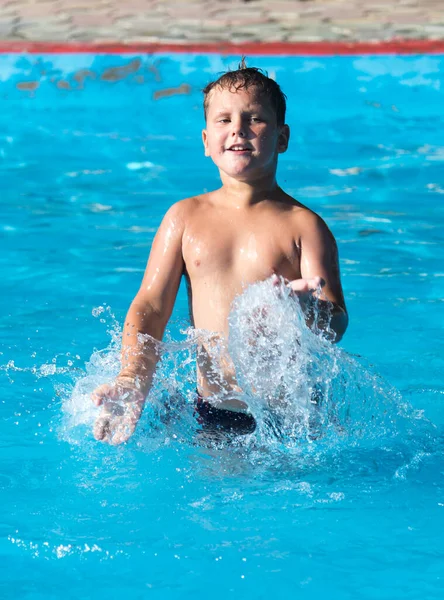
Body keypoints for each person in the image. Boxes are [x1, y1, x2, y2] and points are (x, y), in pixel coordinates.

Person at [91, 60, 348, 445]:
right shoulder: (185, 218)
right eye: (224, 120)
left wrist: (303, 308)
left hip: (290, 415)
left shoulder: (303, 226)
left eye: (255, 118)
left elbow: (336, 322)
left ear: (282, 137)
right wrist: (133, 377)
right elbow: (150, 307)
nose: (238, 129)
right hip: (215, 411)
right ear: (206, 141)